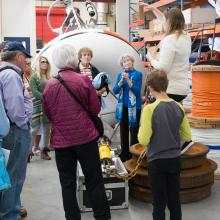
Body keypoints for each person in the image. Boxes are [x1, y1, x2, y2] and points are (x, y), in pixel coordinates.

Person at [43, 44, 111, 220]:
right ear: (73, 58)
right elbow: (95, 109)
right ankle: (102, 217)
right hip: (85, 138)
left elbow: (48, 112)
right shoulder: (83, 80)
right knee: (94, 180)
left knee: (67, 183)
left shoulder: (49, 85)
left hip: (61, 142)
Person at [138, 70, 192, 220]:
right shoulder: (179, 107)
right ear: (166, 85)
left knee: (159, 202)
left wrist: (143, 120)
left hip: (156, 161)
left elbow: (143, 140)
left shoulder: (149, 109)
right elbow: (187, 136)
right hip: (174, 159)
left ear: (150, 87)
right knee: (174, 199)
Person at [0, 41, 33, 220]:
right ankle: (9, 214)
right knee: (15, 175)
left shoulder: (2, 72)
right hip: (15, 131)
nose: (26, 62)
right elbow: (15, 110)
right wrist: (25, 122)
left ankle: (8, 208)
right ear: (18, 57)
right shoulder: (11, 76)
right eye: (25, 58)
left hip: (7, 131)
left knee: (7, 174)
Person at [147, 8, 191, 103]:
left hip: (170, 90)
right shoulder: (186, 37)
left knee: (157, 115)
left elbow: (163, 68)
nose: (163, 24)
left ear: (169, 22)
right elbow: (164, 19)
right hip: (182, 89)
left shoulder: (170, 39)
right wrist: (154, 9)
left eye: (165, 21)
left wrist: (151, 59)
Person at [113, 54, 142, 162]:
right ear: (122, 64)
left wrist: (129, 81)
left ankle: (133, 154)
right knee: (123, 130)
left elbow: (137, 91)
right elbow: (115, 90)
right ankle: (124, 153)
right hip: (123, 107)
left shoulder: (138, 74)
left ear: (132, 62)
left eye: (128, 60)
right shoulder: (120, 75)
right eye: (124, 62)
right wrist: (120, 82)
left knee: (134, 130)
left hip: (135, 107)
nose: (127, 63)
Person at [29, 56, 51, 160]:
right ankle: (28, 152)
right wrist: (46, 98)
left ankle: (44, 151)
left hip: (48, 107)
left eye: (46, 62)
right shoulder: (34, 77)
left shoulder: (50, 77)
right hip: (37, 106)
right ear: (38, 63)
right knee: (34, 130)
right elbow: (35, 92)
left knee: (46, 129)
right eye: (43, 62)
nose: (45, 63)